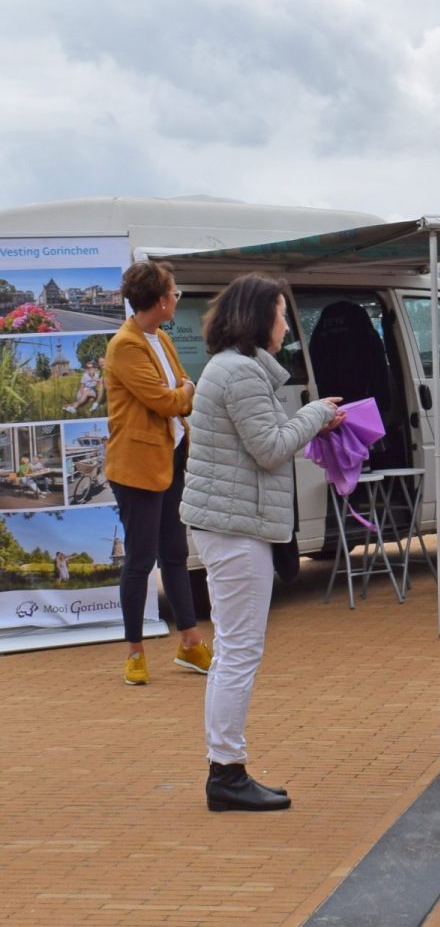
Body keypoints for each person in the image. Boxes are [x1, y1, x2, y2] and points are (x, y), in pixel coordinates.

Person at [180, 274, 344, 812]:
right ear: (257, 318)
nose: (286, 324)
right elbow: (271, 448)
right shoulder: (241, 374)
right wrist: (316, 414)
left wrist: (308, 421)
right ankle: (225, 772)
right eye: (280, 313)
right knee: (238, 651)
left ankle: (226, 768)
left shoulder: (234, 369)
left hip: (231, 523)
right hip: (235, 527)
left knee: (234, 649)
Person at [104, 259, 211, 686]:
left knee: (175, 554)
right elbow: (169, 400)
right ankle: (134, 651)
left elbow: (182, 383)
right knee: (140, 559)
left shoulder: (161, 338)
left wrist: (181, 391)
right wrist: (183, 393)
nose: (176, 299)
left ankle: (189, 643)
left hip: (171, 458)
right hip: (136, 469)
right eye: (174, 293)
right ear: (161, 300)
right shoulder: (125, 345)